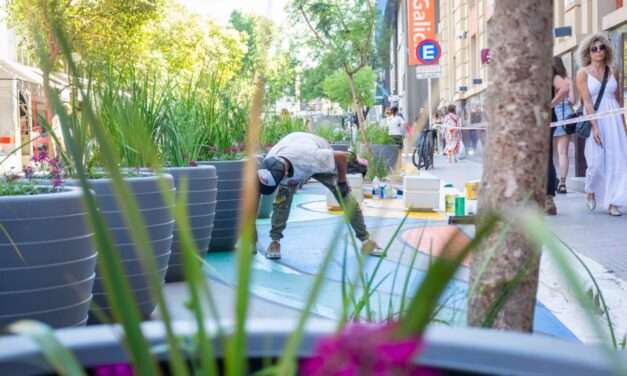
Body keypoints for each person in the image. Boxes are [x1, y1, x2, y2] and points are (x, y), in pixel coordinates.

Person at [257, 132, 383, 259]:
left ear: (284, 173)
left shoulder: (314, 158)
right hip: (294, 150)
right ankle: (275, 241)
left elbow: (341, 157)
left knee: (344, 195)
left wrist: (342, 182)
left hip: (315, 156)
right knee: (281, 203)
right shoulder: (269, 161)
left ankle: (366, 241)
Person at [575, 33, 627, 216]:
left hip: (614, 119)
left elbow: (619, 100)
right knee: (596, 163)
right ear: (588, 52)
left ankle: (613, 202)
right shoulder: (582, 73)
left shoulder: (614, 71)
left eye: (601, 48)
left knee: (617, 160)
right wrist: (595, 126)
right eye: (594, 49)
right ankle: (590, 190)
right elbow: (587, 102)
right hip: (595, 118)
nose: (598, 51)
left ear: (606, 50)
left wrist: (624, 125)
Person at [551, 56, 576, 195]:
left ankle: (552, 180)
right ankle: (562, 183)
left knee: (553, 153)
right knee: (563, 153)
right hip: (566, 117)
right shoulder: (567, 80)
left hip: (552, 116)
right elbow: (572, 100)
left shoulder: (551, 80)